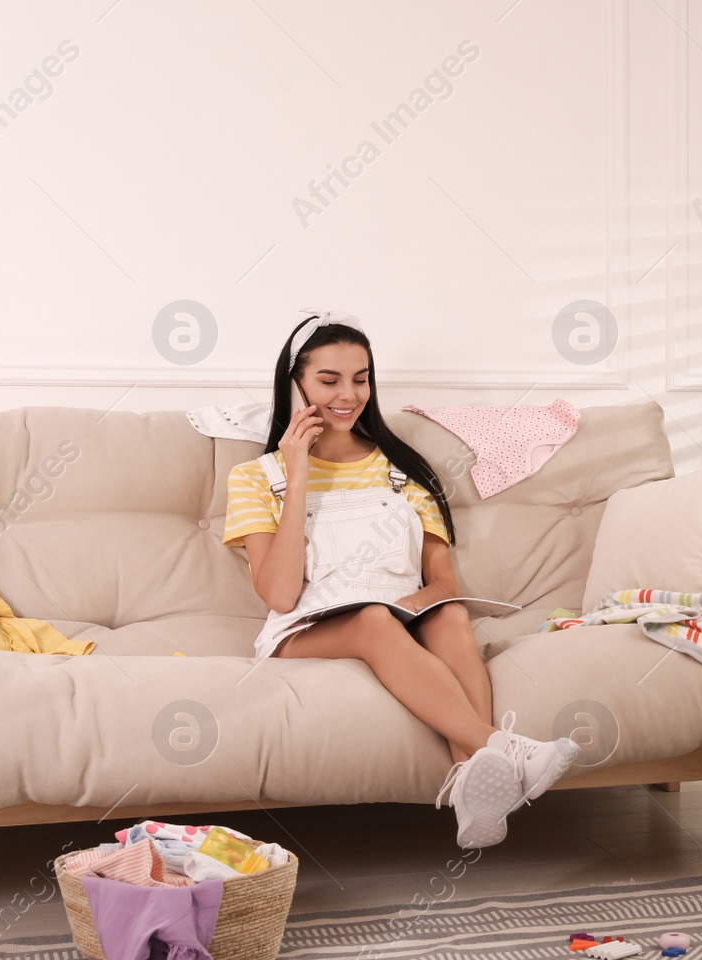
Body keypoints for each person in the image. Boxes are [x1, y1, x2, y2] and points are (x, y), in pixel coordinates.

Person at [221, 309, 578, 848]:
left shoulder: (403, 472)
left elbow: (443, 583)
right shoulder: (255, 478)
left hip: (399, 617)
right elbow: (279, 593)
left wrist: (405, 608)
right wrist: (297, 474)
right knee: (370, 620)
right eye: (328, 379)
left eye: (361, 378)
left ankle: (471, 787)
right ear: (294, 386)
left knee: (452, 616)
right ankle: (503, 748)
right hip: (305, 628)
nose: (349, 394)